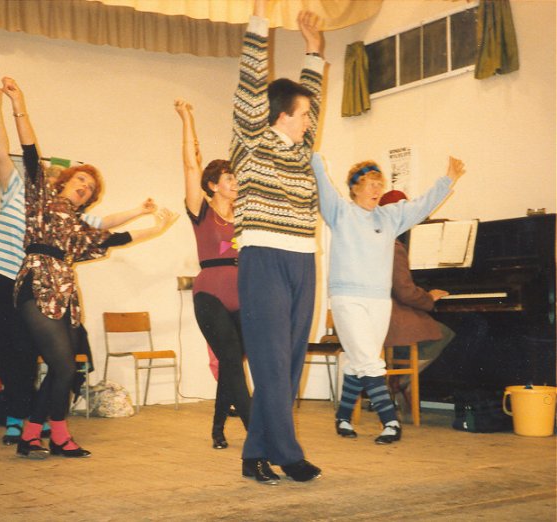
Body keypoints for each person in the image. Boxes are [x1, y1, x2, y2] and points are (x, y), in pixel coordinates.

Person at [1, 77, 177, 459]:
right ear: (65, 180)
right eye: (81, 179)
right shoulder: (41, 198)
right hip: (36, 284)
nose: (84, 187)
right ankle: (56, 435)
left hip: (65, 291)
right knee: (63, 365)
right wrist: (18, 105)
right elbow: (30, 152)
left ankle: (33, 435)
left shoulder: (79, 228)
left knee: (65, 368)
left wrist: (155, 228)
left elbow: (110, 239)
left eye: (90, 188)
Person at [230, 0, 325, 485]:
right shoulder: (251, 139)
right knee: (268, 360)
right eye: (303, 113)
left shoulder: (302, 148)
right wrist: (260, 21)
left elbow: (315, 96)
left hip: (303, 260)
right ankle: (287, 453)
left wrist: (313, 49)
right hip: (264, 256)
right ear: (280, 115)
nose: (310, 119)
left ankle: (254, 454)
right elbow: (250, 84)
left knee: (287, 362)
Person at [311, 154, 465, 444]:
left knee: (360, 361)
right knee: (370, 360)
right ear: (354, 188)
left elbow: (421, 205)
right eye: (369, 184)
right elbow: (323, 186)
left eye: (378, 184)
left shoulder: (389, 217)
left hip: (378, 301)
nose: (375, 190)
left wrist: (448, 180)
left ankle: (343, 417)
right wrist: (313, 157)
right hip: (348, 298)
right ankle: (390, 421)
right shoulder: (339, 212)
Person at [174, 99, 250, 450]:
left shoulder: (245, 216)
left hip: (244, 296)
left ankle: (218, 429)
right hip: (210, 295)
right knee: (231, 360)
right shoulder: (200, 212)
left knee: (233, 363)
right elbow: (191, 164)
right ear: (214, 185)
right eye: (230, 178)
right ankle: (256, 430)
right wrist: (188, 118)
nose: (236, 183)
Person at [378, 190, 456, 407]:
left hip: (378, 315)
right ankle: (402, 379)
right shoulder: (395, 247)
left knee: (425, 328)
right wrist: (429, 297)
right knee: (443, 333)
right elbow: (405, 291)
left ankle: (399, 379)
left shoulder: (376, 240)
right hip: (393, 317)